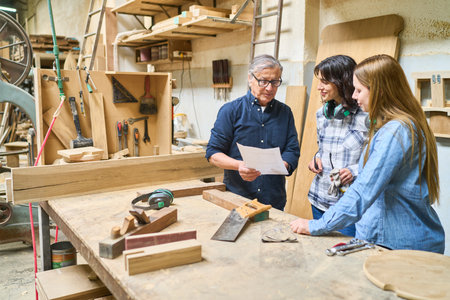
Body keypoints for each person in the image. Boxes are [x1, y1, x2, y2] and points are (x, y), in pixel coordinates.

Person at [290, 54, 445, 253]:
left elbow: (364, 189)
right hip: (385, 237)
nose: (354, 96)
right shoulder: (392, 126)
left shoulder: (396, 131)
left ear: (379, 91)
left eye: (359, 90)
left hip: (397, 243)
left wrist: (316, 225)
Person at [206, 54, 300, 210]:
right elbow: (213, 153)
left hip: (273, 200)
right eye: (263, 81)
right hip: (237, 198)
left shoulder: (285, 112)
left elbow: (292, 150)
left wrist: (281, 165)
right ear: (250, 78)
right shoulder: (231, 111)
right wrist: (239, 166)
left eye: (275, 82)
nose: (270, 88)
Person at [308, 55, 368, 237]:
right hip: (319, 199)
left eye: (325, 82)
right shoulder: (321, 114)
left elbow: (377, 159)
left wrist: (355, 171)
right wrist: (316, 159)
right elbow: (323, 148)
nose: (319, 87)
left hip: (347, 207)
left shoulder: (365, 116)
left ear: (342, 82)